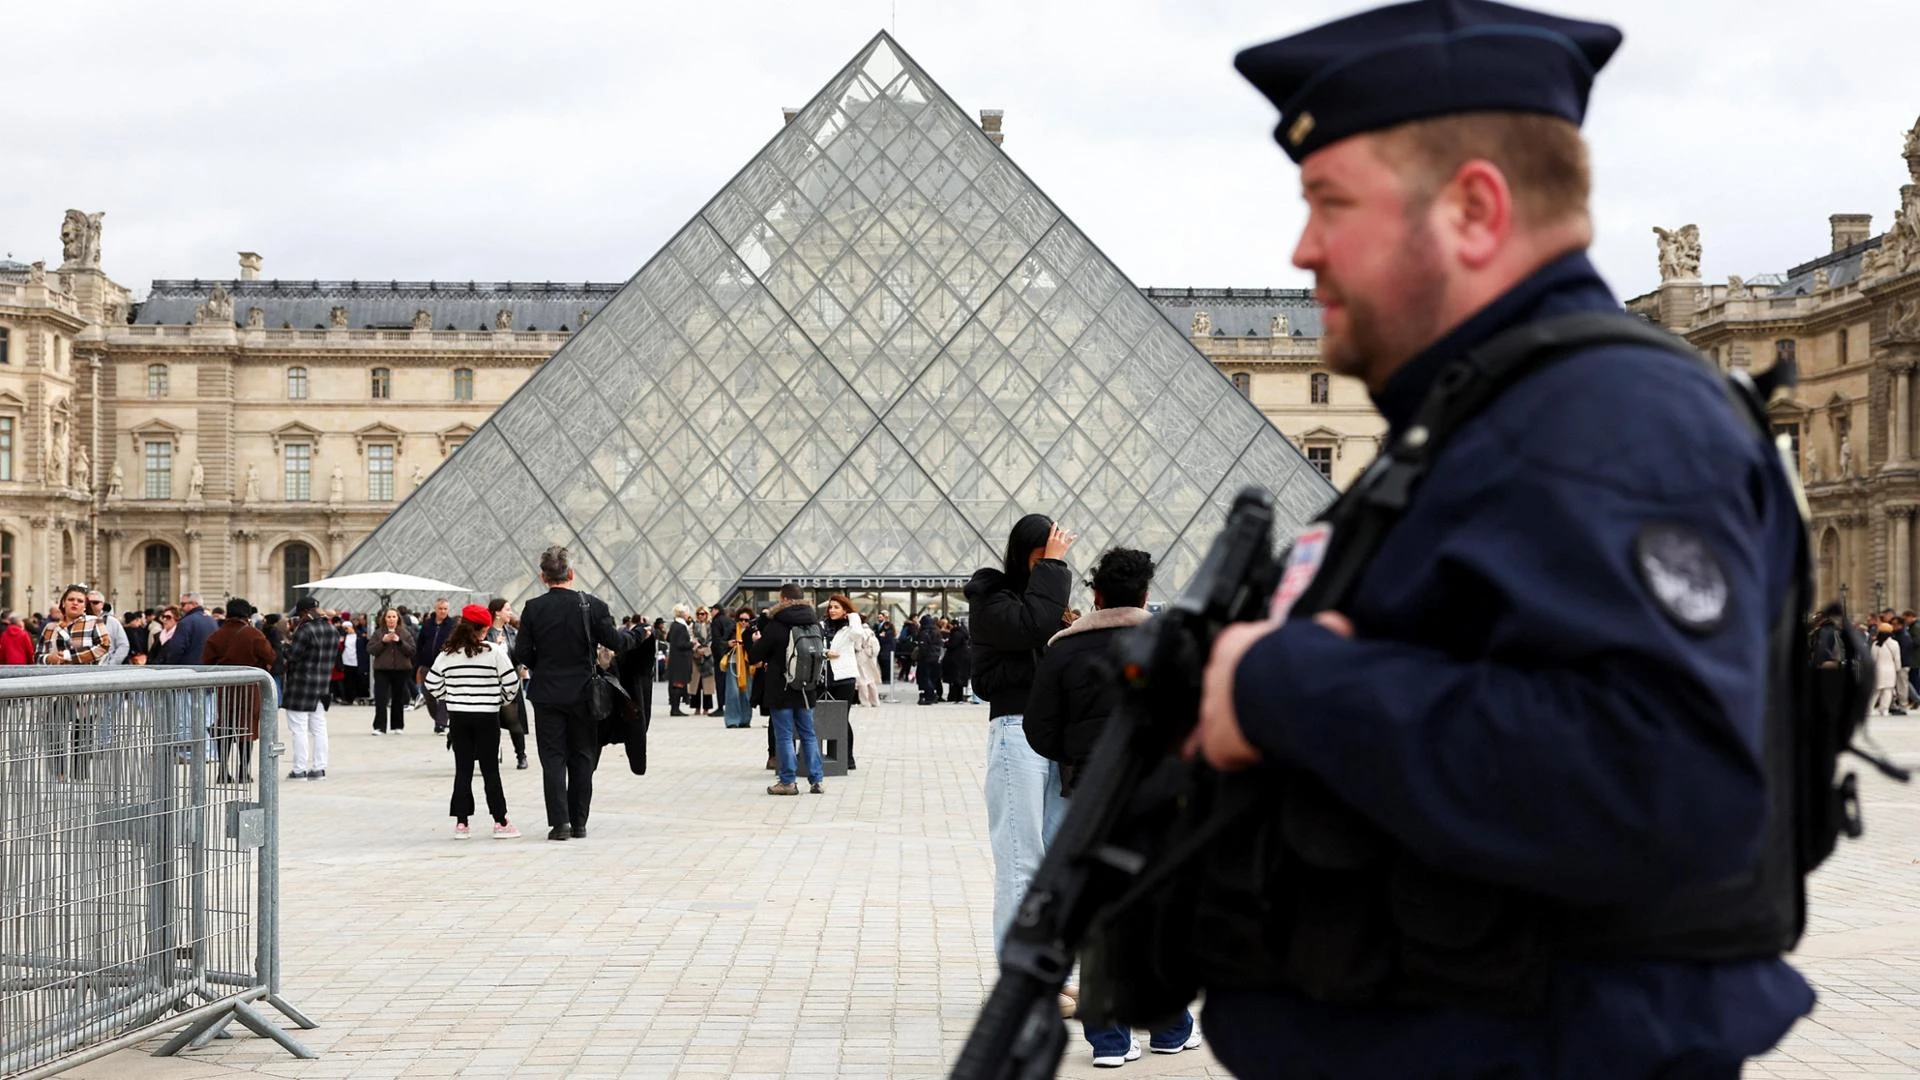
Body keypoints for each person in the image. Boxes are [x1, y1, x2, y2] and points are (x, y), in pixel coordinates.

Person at [1180, 4, 1815, 1076]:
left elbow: (1659, 781)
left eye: (1330, 202)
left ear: (1475, 208)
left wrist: (1288, 684)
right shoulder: (1489, 420)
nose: (1303, 247)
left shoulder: (1609, 421)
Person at [1024, 548, 1201, 1066]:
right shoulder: (1171, 643)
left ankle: (1109, 1040)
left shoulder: (1062, 651)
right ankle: (1169, 1027)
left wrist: (1075, 758)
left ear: (1095, 596)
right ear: (1146, 595)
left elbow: (1039, 729)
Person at [965, 513, 1075, 951]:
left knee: (1054, 862)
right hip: (1017, 732)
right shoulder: (991, 598)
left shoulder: (1045, 601)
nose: (1046, 567)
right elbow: (1033, 626)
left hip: (1056, 739)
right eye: (1040, 561)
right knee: (1020, 860)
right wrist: (1055, 568)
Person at [510, 546, 627, 841]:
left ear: (542, 576)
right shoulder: (593, 606)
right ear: (572, 574)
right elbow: (614, 641)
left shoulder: (533, 608)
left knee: (552, 758)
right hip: (583, 692)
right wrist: (638, 634)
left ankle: (559, 823)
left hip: (547, 694)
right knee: (582, 756)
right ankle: (579, 823)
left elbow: (522, 652)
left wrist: (545, 668)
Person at [424, 604, 523, 840]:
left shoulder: (448, 652)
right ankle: (500, 821)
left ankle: (462, 822)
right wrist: (499, 699)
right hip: (487, 715)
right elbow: (512, 683)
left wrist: (450, 697)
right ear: (485, 628)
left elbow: (431, 683)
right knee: (490, 769)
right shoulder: (494, 651)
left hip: (459, 716)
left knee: (463, 768)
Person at [749, 583, 825, 795]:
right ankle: (817, 780)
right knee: (809, 734)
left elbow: (756, 656)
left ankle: (788, 782)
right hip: (806, 687)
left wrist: (756, 641)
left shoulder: (777, 624)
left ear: (783, 599)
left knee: (784, 735)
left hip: (780, 687)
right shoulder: (814, 623)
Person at [202, 598, 275, 784]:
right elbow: (270, 656)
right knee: (246, 729)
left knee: (224, 728)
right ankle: (243, 770)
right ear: (247, 614)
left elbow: (205, 662)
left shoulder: (217, 635)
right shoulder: (253, 634)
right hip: (249, 688)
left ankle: (223, 771)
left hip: (225, 688)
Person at [282, 596, 341, 781]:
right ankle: (319, 768)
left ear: (304, 612)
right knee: (319, 728)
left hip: (301, 686)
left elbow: (293, 656)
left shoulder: (305, 630)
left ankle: (299, 770)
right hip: (322, 685)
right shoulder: (333, 630)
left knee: (299, 728)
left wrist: (284, 647)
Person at [486, 597, 530, 770]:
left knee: (513, 721)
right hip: (490, 683)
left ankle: (521, 755)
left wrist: (522, 665)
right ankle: (493, 753)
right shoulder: (486, 633)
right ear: (497, 612)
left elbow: (518, 654)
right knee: (491, 723)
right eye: (507, 609)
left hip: (508, 683)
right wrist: (492, 646)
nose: (510, 613)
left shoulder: (512, 632)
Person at [368, 608, 416, 734]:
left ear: (398, 619)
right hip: (382, 670)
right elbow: (371, 649)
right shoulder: (378, 633)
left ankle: (397, 726)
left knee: (398, 698)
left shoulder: (405, 633)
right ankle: (379, 727)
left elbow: (411, 651)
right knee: (381, 698)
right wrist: (383, 642)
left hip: (401, 670)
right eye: (388, 617)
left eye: (393, 617)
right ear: (384, 619)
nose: (391, 619)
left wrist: (399, 642)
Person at [414, 598, 456, 732]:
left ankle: (441, 723)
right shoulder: (427, 624)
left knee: (444, 694)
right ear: (435, 609)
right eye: (440, 608)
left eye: (445, 609)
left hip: (445, 665)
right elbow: (420, 643)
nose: (443, 611)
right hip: (427, 665)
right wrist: (419, 662)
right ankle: (439, 719)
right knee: (428, 694)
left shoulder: (452, 625)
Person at [719, 607, 755, 729]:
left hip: (748, 664)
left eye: (746, 620)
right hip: (733, 663)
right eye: (741, 619)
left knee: (746, 692)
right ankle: (732, 720)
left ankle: (745, 719)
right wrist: (728, 644)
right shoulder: (732, 629)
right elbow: (720, 643)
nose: (743, 622)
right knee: (732, 692)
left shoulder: (753, 631)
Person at [163, 591, 217, 665]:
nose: (181, 608)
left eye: (183, 604)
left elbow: (176, 649)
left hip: (189, 669)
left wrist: (170, 666)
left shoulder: (186, 622)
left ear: (194, 604)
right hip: (208, 668)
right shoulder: (212, 621)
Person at [665, 605, 694, 716]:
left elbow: (669, 638)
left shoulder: (674, 625)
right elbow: (681, 644)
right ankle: (675, 709)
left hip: (674, 658)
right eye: (687, 613)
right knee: (679, 683)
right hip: (681, 659)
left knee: (674, 683)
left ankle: (674, 708)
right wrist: (691, 643)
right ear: (682, 614)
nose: (688, 615)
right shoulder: (681, 627)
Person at [86, 591, 129, 665]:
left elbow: (123, 645)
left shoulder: (112, 622)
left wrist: (111, 663)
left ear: (102, 604)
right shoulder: (80, 620)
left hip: (105, 666)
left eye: (95, 602)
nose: (91, 605)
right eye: (88, 602)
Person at [1872, 622, 1903, 715]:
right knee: (1888, 691)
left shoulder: (1875, 644)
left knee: (1875, 691)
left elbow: (1872, 658)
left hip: (1878, 669)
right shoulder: (1894, 644)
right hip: (1890, 670)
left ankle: (1869, 708)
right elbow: (1897, 659)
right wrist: (1898, 669)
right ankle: (1884, 709)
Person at [914, 614, 943, 705]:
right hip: (935, 658)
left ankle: (928, 697)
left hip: (926, 658)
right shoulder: (937, 631)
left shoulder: (924, 632)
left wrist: (919, 656)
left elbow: (923, 647)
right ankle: (933, 695)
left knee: (925, 677)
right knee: (932, 677)